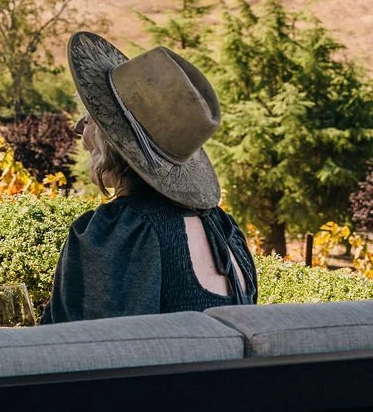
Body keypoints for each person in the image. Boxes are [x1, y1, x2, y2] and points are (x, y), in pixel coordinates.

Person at [46, 34, 256, 322]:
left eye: (90, 119)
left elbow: (81, 350)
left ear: (111, 141)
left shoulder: (121, 232)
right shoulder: (226, 232)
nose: (81, 133)